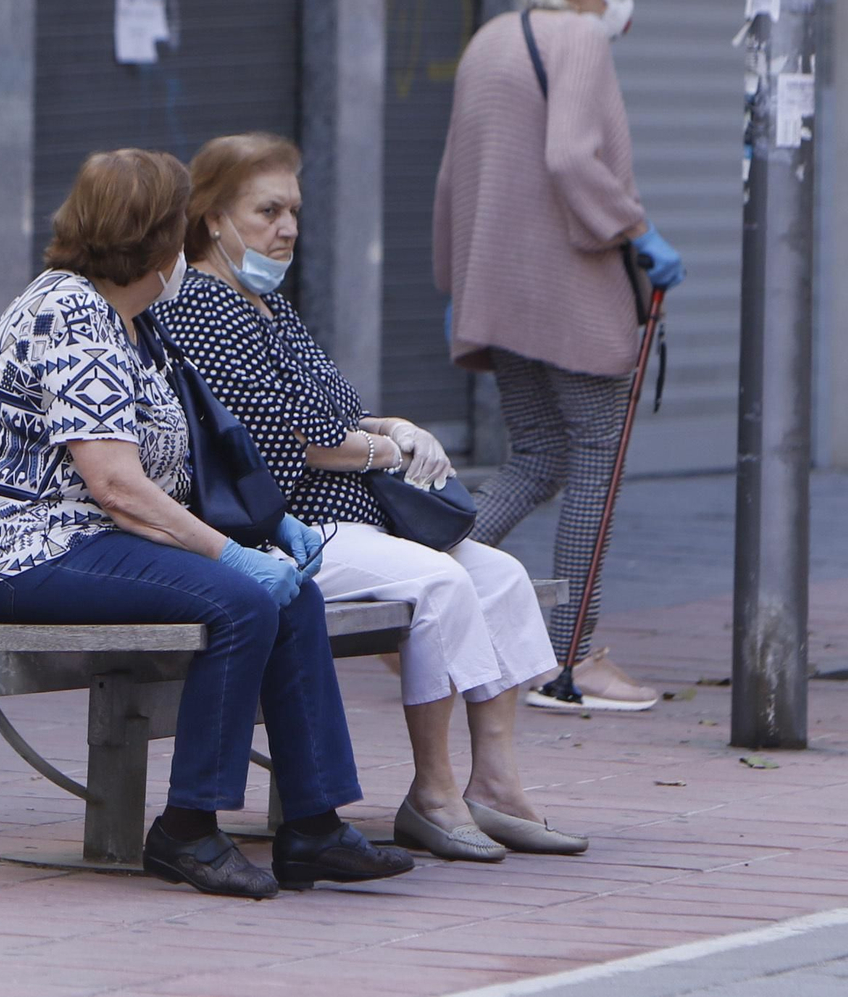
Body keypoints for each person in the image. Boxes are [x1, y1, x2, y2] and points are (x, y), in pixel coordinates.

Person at [0, 148, 413, 897]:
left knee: (293, 594)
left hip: (103, 545)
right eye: (179, 230)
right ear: (157, 238)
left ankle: (313, 827)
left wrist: (274, 528)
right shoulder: (69, 312)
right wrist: (232, 556)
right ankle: (188, 831)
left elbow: (177, 463)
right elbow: (116, 486)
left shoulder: (137, 321)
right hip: (31, 555)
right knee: (240, 602)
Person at [158, 132, 586, 862]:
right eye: (267, 211)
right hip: (286, 529)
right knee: (441, 582)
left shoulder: (268, 306)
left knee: (504, 578)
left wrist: (394, 425)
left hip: (351, 519)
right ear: (212, 219)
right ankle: (434, 792)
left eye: (293, 209)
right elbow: (288, 439)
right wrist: (384, 450)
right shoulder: (203, 309)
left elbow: (331, 409)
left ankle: (498, 786)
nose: (287, 227)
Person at [432, 0, 685, 711]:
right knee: (596, 468)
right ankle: (572, 658)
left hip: (499, 292)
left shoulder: (488, 41)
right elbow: (571, 157)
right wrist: (640, 233)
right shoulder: (579, 40)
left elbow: (452, 175)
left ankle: (420, 582)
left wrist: (454, 283)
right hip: (572, 294)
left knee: (536, 457)